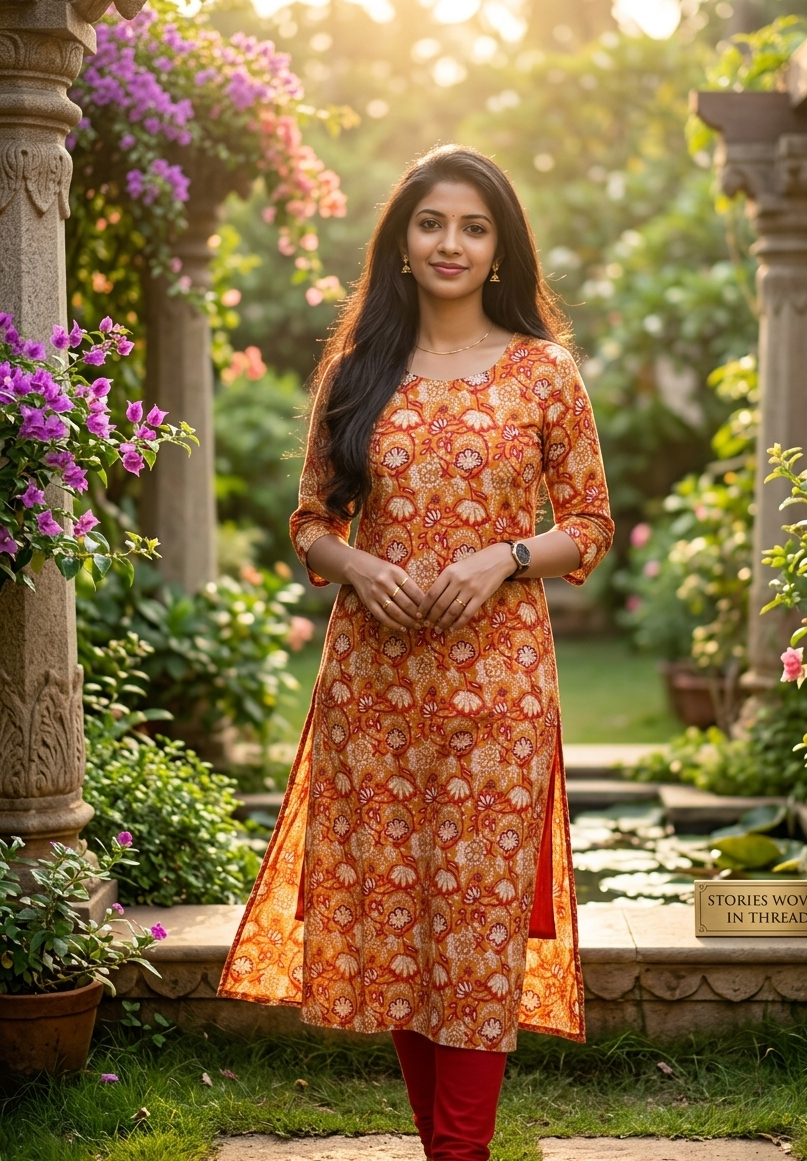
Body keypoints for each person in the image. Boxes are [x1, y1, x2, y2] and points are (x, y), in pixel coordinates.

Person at [219, 144, 614, 1160]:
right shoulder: (358, 371)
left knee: (476, 926)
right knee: (398, 917)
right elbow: (309, 520)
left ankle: (461, 1151)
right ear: (400, 241)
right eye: (431, 222)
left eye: (473, 226)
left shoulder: (542, 371)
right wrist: (357, 565)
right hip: (373, 686)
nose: (450, 242)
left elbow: (590, 523)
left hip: (499, 687)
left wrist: (504, 557)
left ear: (498, 251)